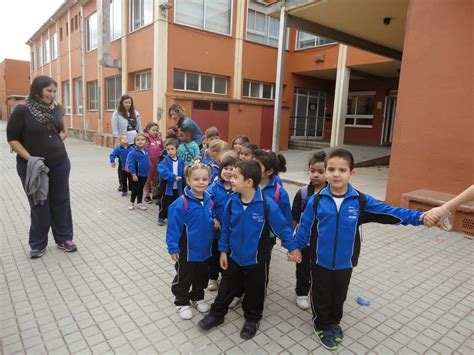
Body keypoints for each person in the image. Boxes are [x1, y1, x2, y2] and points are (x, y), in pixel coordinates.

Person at [295, 149, 427, 351]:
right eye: (331, 169)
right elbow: (304, 227)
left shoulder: (361, 201)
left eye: (342, 170)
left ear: (352, 173)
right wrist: (295, 248)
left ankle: (333, 322)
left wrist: (420, 218)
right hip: (319, 260)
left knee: (339, 294)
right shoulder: (317, 200)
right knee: (321, 293)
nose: (336, 174)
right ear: (326, 172)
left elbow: (390, 212)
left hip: (345, 261)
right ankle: (321, 325)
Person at [197, 160, 302, 340]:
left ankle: (252, 319)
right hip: (234, 257)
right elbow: (226, 230)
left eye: (236, 177)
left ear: (249, 182)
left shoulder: (266, 205)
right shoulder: (232, 203)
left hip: (257, 260)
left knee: (255, 291)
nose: (231, 179)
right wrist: (223, 251)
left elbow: (283, 229)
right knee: (226, 288)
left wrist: (293, 248)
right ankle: (216, 314)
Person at [6, 75, 76, 259]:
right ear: (37, 90)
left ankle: (64, 239)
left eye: (54, 91)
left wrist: (60, 138)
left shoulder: (56, 107)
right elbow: (12, 139)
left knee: (61, 200)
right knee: (39, 203)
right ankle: (38, 243)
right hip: (33, 166)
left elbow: (64, 128)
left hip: (60, 163)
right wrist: (31, 159)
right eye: (49, 91)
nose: (52, 95)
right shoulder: (22, 110)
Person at [166, 163, 215, 320]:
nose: (201, 182)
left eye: (204, 179)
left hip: (205, 247)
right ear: (188, 180)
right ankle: (181, 301)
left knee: (202, 275)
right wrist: (173, 248)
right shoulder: (180, 204)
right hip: (187, 248)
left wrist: (213, 220)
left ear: (209, 180)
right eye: (196, 179)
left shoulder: (209, 199)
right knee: (185, 275)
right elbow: (173, 228)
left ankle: (197, 297)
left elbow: (209, 216)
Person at [291, 151, 327, 310]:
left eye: (321, 172)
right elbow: (295, 217)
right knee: (303, 268)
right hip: (304, 240)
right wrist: (289, 241)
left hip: (324, 241)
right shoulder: (303, 193)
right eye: (312, 171)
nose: (316, 175)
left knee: (320, 269)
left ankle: (317, 291)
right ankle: (301, 293)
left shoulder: (333, 194)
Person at [206, 155, 238, 291]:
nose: (228, 171)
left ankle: (226, 279)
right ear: (220, 170)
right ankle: (212, 278)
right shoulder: (213, 187)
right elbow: (207, 205)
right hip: (215, 231)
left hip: (231, 231)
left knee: (228, 256)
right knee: (214, 255)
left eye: (232, 169)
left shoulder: (237, 188)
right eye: (226, 168)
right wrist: (213, 218)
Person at [111, 95, 142, 191]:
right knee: (122, 163)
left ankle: (132, 183)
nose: (128, 104)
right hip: (124, 142)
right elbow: (115, 128)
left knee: (133, 162)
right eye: (126, 102)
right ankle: (122, 183)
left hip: (134, 142)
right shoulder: (117, 113)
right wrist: (117, 141)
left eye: (129, 102)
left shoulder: (135, 113)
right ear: (122, 103)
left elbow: (139, 127)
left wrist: (141, 137)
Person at [157, 138, 184, 226]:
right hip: (167, 188)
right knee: (165, 203)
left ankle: (172, 217)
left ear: (177, 149)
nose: (170, 151)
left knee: (176, 203)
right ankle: (161, 217)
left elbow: (184, 172)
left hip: (178, 187)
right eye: (168, 149)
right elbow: (163, 171)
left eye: (172, 149)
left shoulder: (181, 161)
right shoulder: (165, 161)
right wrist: (173, 177)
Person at [126, 134, 150, 211]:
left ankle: (139, 203)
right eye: (138, 140)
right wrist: (133, 174)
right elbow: (131, 164)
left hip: (145, 174)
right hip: (136, 174)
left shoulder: (146, 151)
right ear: (135, 142)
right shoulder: (133, 153)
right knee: (135, 189)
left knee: (141, 189)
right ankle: (131, 202)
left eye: (142, 140)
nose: (140, 141)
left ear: (146, 142)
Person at [143, 122, 164, 203]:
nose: (155, 132)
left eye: (157, 130)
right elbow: (144, 150)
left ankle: (155, 194)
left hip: (157, 163)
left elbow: (163, 148)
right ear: (148, 130)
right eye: (153, 130)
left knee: (155, 179)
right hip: (149, 164)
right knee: (148, 179)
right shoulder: (146, 139)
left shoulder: (159, 139)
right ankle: (147, 195)